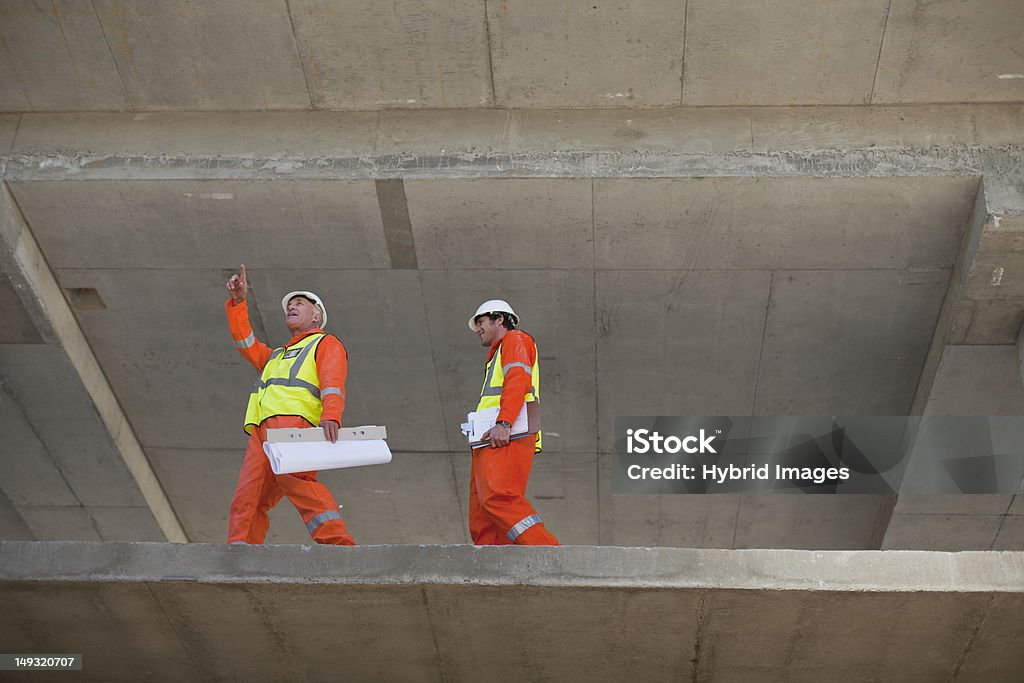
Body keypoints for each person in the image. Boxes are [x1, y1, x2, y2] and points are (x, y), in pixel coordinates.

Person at [223, 264, 355, 545]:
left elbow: (333, 381)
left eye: (299, 304)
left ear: (316, 315)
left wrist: (332, 416)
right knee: (249, 496)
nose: (291, 307)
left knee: (297, 481)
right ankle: (240, 552)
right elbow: (245, 344)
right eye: (289, 305)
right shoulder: (277, 356)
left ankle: (338, 545)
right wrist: (238, 303)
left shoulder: (324, 343)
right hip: (262, 432)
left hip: (295, 425)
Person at [467, 299, 559, 545]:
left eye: (481, 322)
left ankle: (548, 552)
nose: (477, 328)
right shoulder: (496, 353)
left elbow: (518, 380)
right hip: (489, 437)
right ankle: (492, 567)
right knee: (481, 513)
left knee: (499, 497)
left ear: (499, 319)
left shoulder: (515, 339)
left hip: (505, 435)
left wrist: (505, 423)